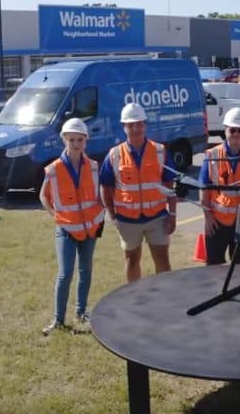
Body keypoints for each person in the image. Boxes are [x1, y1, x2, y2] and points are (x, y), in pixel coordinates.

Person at [39, 118, 105, 335]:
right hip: (66, 230)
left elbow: (100, 195)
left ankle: (81, 312)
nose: (75, 144)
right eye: (71, 140)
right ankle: (58, 320)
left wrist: (101, 214)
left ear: (86, 141)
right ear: (64, 140)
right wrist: (55, 215)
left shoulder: (93, 167)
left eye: (79, 140)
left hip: (89, 230)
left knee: (86, 270)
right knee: (65, 273)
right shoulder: (54, 169)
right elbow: (43, 196)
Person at [101, 103, 177, 282]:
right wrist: (112, 216)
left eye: (139, 124)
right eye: (130, 125)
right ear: (124, 127)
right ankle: (134, 296)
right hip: (127, 220)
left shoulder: (160, 151)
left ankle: (166, 295)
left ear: (145, 125)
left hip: (157, 217)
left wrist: (172, 214)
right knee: (132, 260)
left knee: (163, 260)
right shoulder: (114, 155)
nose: (135, 129)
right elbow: (106, 187)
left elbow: (170, 184)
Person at [199, 108, 240, 265]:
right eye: (232, 130)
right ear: (225, 130)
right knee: (214, 267)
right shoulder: (212, 155)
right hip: (217, 223)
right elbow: (204, 189)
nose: (236, 134)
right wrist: (208, 218)